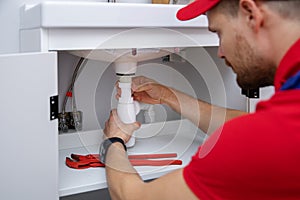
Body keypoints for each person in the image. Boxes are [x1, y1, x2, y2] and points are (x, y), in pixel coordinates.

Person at [100, 0, 300, 199]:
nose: (220, 52)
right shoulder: (287, 118)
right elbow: (260, 129)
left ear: (250, 14)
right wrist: (169, 97)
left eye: (219, 32)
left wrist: (113, 142)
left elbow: (133, 196)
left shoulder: (274, 138)